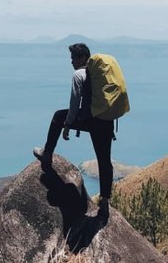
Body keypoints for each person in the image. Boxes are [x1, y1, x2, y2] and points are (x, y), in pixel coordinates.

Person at [33, 43, 115, 210]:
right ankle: (105, 199)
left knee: (58, 116)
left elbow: (74, 102)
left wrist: (68, 124)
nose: (71, 62)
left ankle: (47, 154)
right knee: (104, 160)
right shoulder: (99, 75)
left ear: (82, 58)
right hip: (106, 120)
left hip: (89, 119)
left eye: (73, 58)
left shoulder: (79, 74)